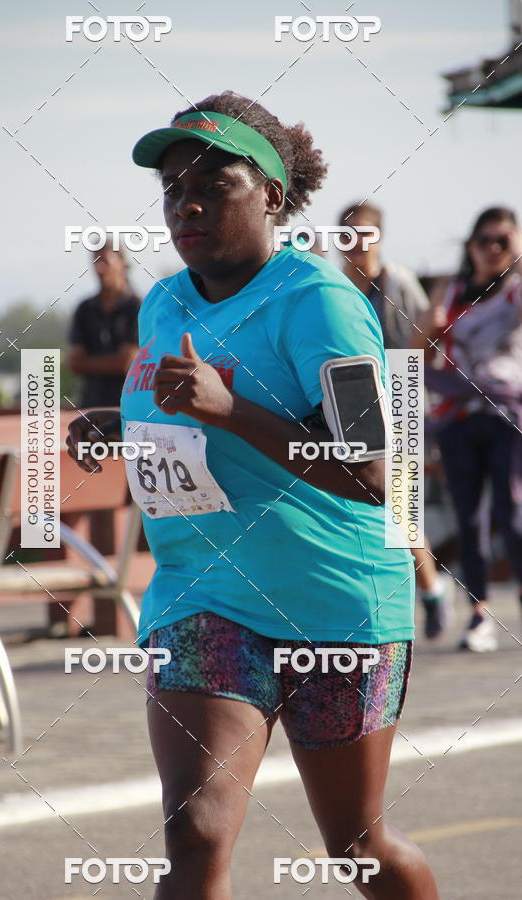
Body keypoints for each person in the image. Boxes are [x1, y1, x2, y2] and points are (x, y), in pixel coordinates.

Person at [67, 91, 438, 899]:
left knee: (357, 844)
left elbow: (374, 471)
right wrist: (112, 421)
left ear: (270, 195)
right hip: (205, 596)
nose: (186, 202)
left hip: (333, 604)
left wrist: (228, 410)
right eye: (171, 187)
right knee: (195, 835)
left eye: (213, 182)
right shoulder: (164, 300)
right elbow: (180, 412)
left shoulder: (323, 303)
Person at [338, 201, 451, 640]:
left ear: (380, 238)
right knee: (359, 508)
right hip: (351, 405)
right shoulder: (335, 286)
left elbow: (427, 344)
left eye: (365, 233)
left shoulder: (398, 283)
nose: (356, 243)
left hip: (400, 395)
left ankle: (432, 591)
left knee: (400, 510)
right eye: (347, 234)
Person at [414, 206, 522, 652]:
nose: (493, 249)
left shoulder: (515, 293)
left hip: (508, 416)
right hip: (457, 416)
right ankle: (478, 614)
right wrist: (430, 324)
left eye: (504, 241)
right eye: (485, 240)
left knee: (511, 511)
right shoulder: (452, 291)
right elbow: (414, 354)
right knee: (469, 518)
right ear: (470, 244)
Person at [67, 240, 140, 408]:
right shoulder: (84, 309)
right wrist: (115, 361)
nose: (99, 268)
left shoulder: (137, 307)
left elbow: (127, 363)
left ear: (122, 263)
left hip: (128, 408)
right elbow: (74, 363)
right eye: (95, 262)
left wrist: (88, 363)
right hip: (89, 406)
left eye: (105, 261)